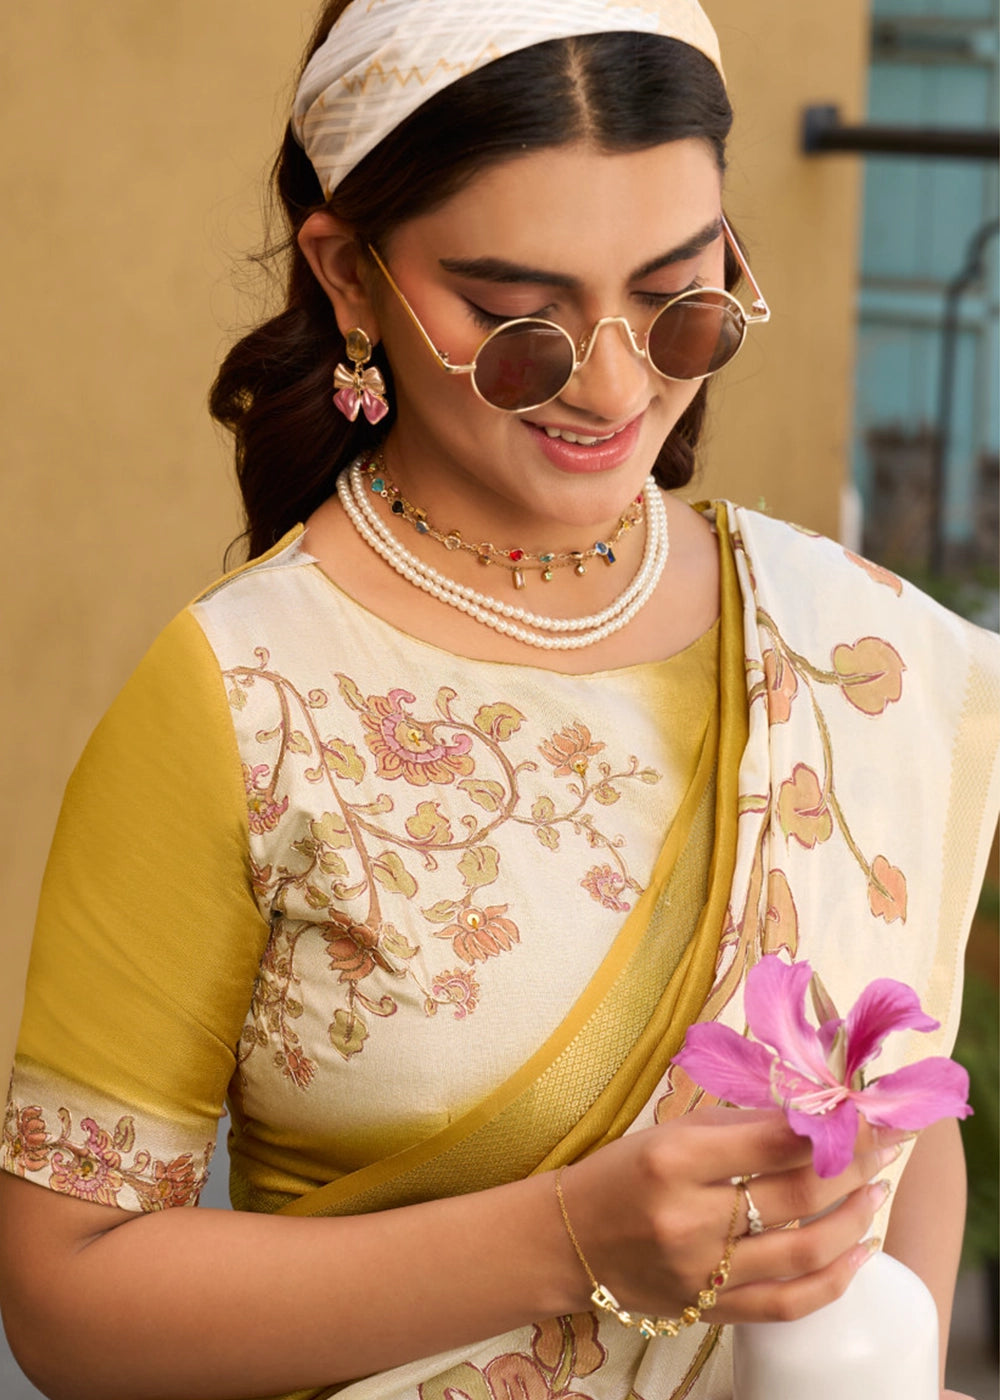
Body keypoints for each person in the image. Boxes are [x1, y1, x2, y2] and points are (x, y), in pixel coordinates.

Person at [1, 3, 997, 1398]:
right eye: (516, 319)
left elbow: (900, 1126)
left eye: (677, 299)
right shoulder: (246, 698)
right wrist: (568, 1237)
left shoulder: (852, 650)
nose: (611, 381)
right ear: (350, 276)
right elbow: (65, 1297)